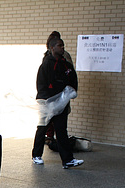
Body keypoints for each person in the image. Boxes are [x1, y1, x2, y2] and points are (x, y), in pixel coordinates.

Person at [32, 36, 83, 169]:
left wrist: (68, 95)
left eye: (63, 46)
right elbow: (41, 85)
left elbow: (72, 81)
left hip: (62, 104)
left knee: (61, 131)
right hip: (48, 104)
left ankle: (67, 160)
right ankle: (36, 155)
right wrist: (47, 100)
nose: (62, 48)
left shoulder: (66, 65)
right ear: (52, 47)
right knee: (42, 128)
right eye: (60, 45)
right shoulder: (46, 65)